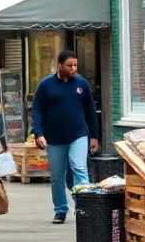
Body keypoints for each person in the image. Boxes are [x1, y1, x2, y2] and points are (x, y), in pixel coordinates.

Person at [30, 50, 99, 224]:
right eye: (69, 65)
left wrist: (94, 136)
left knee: (79, 168)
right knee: (57, 176)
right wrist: (38, 134)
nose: (73, 68)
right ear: (59, 65)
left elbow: (91, 112)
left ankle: (85, 208)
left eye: (75, 65)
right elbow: (36, 110)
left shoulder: (81, 84)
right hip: (54, 138)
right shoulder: (46, 85)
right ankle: (60, 210)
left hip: (78, 135)